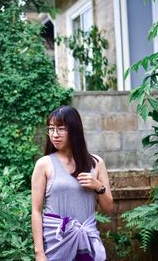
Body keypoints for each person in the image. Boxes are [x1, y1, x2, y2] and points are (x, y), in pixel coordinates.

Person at [31, 105, 113, 261]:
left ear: (74, 131)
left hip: (87, 241)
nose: (54, 134)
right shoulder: (44, 164)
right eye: (51, 129)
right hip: (55, 244)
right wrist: (39, 252)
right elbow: (36, 210)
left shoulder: (96, 163)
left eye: (61, 129)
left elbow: (108, 208)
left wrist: (97, 186)